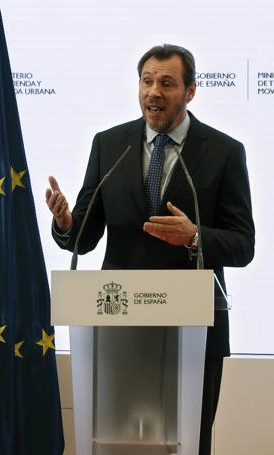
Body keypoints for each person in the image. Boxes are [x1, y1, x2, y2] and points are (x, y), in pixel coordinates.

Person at [45, 44, 254, 454]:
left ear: (190, 91)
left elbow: (243, 243)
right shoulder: (109, 144)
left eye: (167, 83)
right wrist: (66, 223)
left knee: (187, 441)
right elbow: (84, 238)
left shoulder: (225, 152)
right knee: (117, 440)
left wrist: (196, 236)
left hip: (193, 331)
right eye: (146, 82)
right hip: (117, 327)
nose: (153, 92)